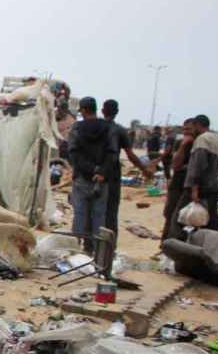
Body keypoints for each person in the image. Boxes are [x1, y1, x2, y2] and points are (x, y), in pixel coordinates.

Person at [67, 97, 114, 251]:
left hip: (81, 178)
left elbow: (73, 154)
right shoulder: (108, 128)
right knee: (99, 217)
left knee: (79, 214)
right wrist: (101, 172)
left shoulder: (77, 128)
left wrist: (90, 169)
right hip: (101, 180)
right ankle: (97, 253)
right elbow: (112, 153)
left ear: (84, 110)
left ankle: (75, 251)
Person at [101, 99, 152, 239]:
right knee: (111, 212)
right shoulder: (119, 131)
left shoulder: (96, 128)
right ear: (117, 112)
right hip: (112, 174)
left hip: (93, 174)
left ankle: (89, 243)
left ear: (102, 111)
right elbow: (131, 155)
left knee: (93, 209)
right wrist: (144, 170)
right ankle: (109, 245)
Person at [171, 114, 218, 238]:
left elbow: (197, 166)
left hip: (200, 189)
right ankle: (211, 246)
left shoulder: (202, 140)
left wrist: (194, 189)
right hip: (213, 188)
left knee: (179, 219)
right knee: (211, 221)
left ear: (197, 125)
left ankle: (176, 248)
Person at [161, 119, 198, 243]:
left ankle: (179, 243)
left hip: (190, 187)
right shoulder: (179, 143)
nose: (186, 132)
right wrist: (183, 146)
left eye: (189, 129)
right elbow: (175, 165)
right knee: (170, 214)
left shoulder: (199, 144)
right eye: (184, 129)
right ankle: (165, 244)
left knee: (185, 217)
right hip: (177, 184)